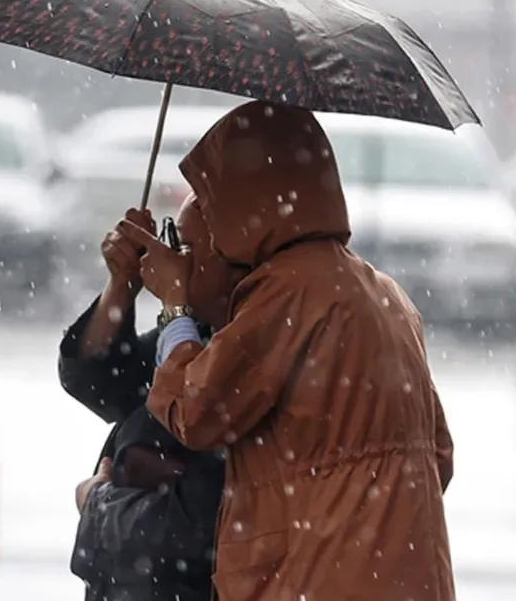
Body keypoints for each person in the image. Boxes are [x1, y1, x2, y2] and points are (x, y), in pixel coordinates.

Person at [121, 100, 455, 601]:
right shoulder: (381, 292)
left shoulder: (287, 292)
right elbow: (440, 456)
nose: (188, 264)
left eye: (192, 247)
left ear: (240, 217)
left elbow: (196, 410)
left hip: (322, 581)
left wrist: (172, 306)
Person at [59, 199, 244, 600]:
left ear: (235, 264)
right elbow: (97, 381)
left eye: (183, 247)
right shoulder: (197, 331)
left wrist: (98, 506)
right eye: (168, 241)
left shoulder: (245, 361)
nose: (168, 260)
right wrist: (121, 286)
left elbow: (191, 532)